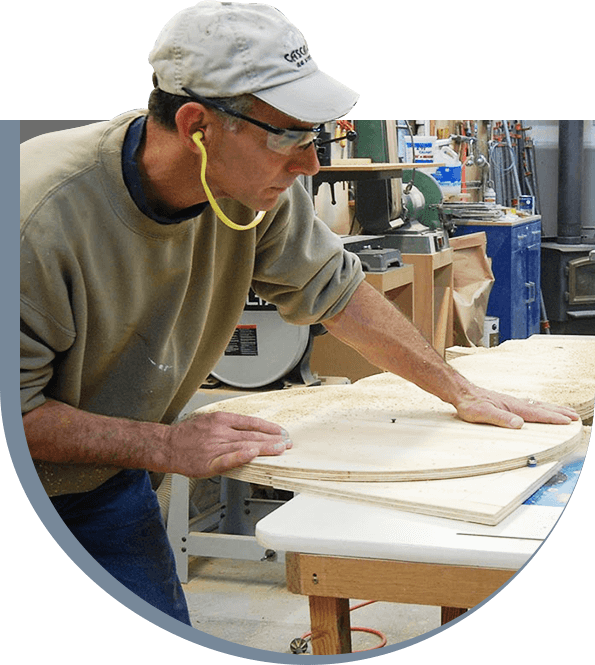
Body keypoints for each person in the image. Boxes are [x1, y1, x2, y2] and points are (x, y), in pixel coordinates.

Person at [20, 2, 578, 626]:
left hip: (106, 482)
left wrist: (459, 389)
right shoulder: (35, 218)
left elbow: (339, 294)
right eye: (286, 135)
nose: (309, 163)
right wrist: (165, 443)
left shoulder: (247, 194)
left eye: (317, 136)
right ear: (197, 125)